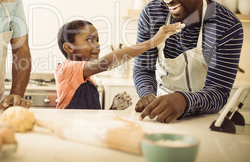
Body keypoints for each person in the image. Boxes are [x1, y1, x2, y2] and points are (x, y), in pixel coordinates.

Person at [133, 0, 244, 123]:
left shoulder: (227, 25)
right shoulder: (152, 14)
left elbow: (218, 92)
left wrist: (183, 101)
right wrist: (147, 94)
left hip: (204, 118)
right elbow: (143, 68)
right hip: (159, 113)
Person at [55, 20, 184, 109]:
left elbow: (92, 117)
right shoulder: (66, 69)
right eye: (89, 39)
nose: (98, 44)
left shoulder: (88, 80)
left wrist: (112, 109)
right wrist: (152, 42)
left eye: (97, 40)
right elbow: (106, 63)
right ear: (69, 48)